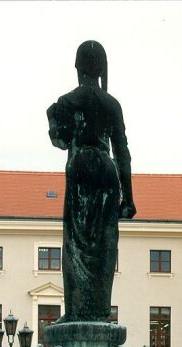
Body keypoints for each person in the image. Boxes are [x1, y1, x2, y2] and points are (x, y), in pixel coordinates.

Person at [47, 40, 136, 322]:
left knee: (76, 243)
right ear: (101, 69)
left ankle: (75, 311)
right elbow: (123, 153)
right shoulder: (112, 104)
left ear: (77, 66)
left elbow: (59, 140)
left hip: (81, 168)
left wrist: (51, 117)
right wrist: (129, 198)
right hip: (107, 171)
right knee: (106, 243)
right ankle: (99, 311)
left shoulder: (68, 100)